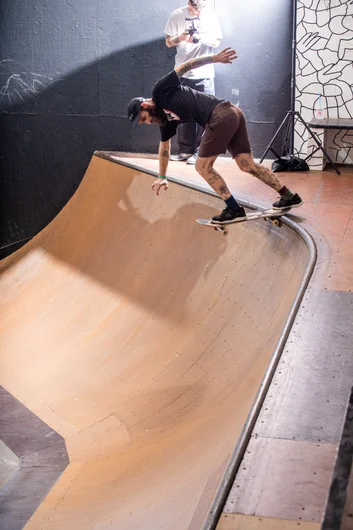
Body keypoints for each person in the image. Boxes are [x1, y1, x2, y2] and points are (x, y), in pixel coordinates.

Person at [126, 47, 303, 224]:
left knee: (202, 166)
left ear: (144, 106)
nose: (148, 123)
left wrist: (214, 58)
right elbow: (164, 147)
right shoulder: (165, 121)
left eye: (144, 119)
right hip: (232, 113)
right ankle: (288, 196)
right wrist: (162, 177)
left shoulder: (159, 91)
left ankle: (234, 209)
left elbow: (184, 67)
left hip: (219, 115)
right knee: (246, 165)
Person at [164, 0, 222, 165]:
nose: (197, 12)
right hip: (182, 72)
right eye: (194, 9)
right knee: (182, 113)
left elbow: (217, 41)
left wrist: (202, 37)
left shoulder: (210, 15)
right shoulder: (177, 15)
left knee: (205, 115)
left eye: (200, 9)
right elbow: (168, 42)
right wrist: (181, 38)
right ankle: (185, 150)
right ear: (188, 3)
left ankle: (201, 152)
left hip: (204, 73)